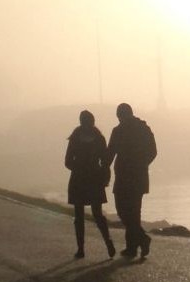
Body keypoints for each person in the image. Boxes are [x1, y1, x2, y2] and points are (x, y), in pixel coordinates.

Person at [107, 103, 158, 259]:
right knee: (131, 212)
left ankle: (135, 246)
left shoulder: (121, 130)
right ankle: (138, 242)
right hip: (136, 176)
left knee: (125, 211)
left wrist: (102, 169)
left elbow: (109, 154)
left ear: (121, 115)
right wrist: (143, 164)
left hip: (127, 176)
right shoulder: (142, 129)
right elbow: (153, 152)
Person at [64, 111, 116, 259]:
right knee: (98, 214)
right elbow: (105, 161)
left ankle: (81, 249)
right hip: (94, 180)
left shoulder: (75, 138)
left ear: (81, 121)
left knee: (79, 216)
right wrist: (104, 177)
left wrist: (79, 167)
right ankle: (108, 242)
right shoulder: (99, 138)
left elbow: (67, 161)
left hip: (78, 180)